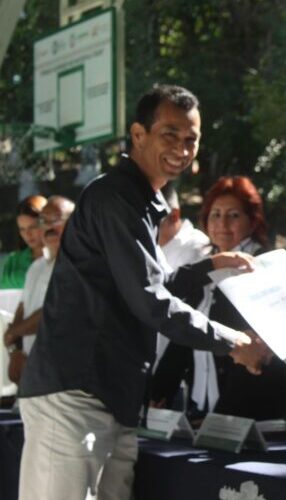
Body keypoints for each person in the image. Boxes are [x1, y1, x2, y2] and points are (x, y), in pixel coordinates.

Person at [17, 84, 268, 500]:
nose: (182, 148)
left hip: (111, 398)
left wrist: (210, 266)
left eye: (191, 139)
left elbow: (145, 289)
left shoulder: (142, 201)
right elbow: (149, 301)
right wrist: (232, 342)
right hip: (75, 395)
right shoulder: (116, 197)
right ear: (138, 135)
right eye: (169, 133)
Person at [153, 176, 286, 421]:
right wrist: (161, 387)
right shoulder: (205, 265)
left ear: (253, 221)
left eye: (233, 215)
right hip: (203, 402)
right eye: (215, 214)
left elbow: (271, 341)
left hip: (252, 407)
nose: (222, 223)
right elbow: (185, 334)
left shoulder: (266, 265)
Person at [4, 196, 75, 384]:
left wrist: (13, 333)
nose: (50, 227)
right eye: (44, 221)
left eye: (57, 220)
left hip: (63, 376)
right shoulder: (36, 267)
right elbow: (22, 309)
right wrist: (15, 351)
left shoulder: (78, 266)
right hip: (32, 376)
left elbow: (52, 313)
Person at [154, 183, 210, 366]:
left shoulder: (198, 248)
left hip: (174, 361)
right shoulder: (151, 247)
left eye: (154, 219)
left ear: (174, 215)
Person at [0, 195, 46, 289]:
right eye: (22, 229)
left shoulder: (61, 258)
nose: (27, 234)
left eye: (32, 227)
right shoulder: (14, 260)